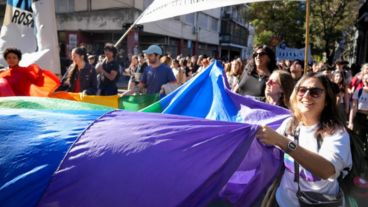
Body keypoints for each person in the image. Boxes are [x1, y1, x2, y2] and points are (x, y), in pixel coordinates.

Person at [257, 73, 352, 207]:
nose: (306, 96)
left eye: (315, 92)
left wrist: (283, 142)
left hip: (320, 203)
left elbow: (327, 170)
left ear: (326, 101)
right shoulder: (290, 124)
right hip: (282, 201)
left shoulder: (337, 132)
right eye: (302, 90)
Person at [348, 71, 368, 156]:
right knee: (359, 138)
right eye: (365, 79)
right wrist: (350, 122)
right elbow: (353, 106)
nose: (366, 80)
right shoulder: (358, 91)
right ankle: (359, 158)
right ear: (363, 80)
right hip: (359, 117)